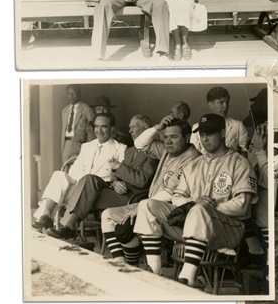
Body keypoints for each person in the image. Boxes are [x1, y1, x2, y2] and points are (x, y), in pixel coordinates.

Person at [134, 113, 256, 287]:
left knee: (199, 209)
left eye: (210, 133)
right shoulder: (194, 164)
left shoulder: (239, 163)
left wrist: (208, 208)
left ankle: (187, 277)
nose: (204, 139)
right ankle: (154, 269)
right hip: (192, 226)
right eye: (202, 134)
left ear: (222, 133)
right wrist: (194, 202)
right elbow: (176, 197)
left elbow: (243, 207)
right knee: (147, 205)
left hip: (227, 230)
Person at [101, 115, 200, 265]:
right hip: (150, 203)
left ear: (187, 138)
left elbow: (170, 193)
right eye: (166, 137)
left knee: (132, 222)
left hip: (173, 210)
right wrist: (157, 127)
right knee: (108, 215)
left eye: (174, 137)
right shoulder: (168, 150)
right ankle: (122, 265)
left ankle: (151, 270)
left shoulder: (192, 158)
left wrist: (141, 206)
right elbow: (139, 144)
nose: (168, 141)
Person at [47, 115, 158, 241]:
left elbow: (142, 181)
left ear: (146, 129)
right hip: (117, 192)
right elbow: (116, 175)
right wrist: (114, 181)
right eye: (130, 128)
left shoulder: (153, 152)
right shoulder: (131, 150)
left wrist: (119, 166)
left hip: (132, 197)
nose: (130, 131)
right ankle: (69, 225)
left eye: (134, 127)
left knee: (83, 192)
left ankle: (67, 226)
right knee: (89, 179)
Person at [32, 112, 126, 231]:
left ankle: (47, 219)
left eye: (104, 126)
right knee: (59, 175)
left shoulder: (120, 148)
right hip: (78, 186)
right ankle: (46, 215)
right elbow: (73, 171)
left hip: (96, 191)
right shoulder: (87, 146)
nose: (99, 130)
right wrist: (77, 183)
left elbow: (121, 174)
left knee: (58, 193)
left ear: (111, 128)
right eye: (96, 126)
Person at [190, 87, 250, 154]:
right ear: (211, 105)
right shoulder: (197, 127)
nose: (225, 106)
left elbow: (245, 151)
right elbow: (194, 153)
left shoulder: (238, 125)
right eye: (221, 102)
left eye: (227, 102)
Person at [59, 84, 94, 166]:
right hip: (66, 145)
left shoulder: (86, 109)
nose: (71, 96)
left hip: (80, 146)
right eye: (69, 94)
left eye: (74, 93)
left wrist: (88, 149)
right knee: (66, 171)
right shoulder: (65, 111)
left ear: (79, 93)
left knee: (79, 171)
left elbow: (92, 132)